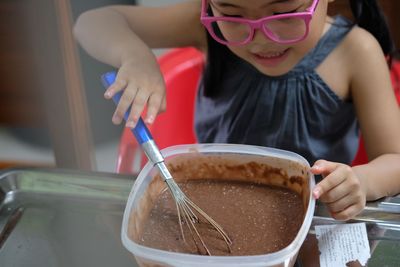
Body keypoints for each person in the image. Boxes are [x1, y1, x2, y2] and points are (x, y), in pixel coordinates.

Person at [74, 0, 400, 221]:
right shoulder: (201, 24)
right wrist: (135, 55)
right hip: (212, 211)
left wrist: (361, 181)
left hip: (311, 219)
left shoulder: (356, 51)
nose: (259, 38)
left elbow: (395, 160)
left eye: (284, 14)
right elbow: (92, 21)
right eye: (232, 15)